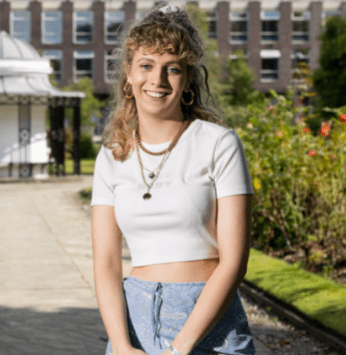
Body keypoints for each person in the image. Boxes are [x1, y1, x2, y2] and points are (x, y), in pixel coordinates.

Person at [91, 5, 255, 355]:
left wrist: (181, 348)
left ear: (188, 79)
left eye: (173, 69)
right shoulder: (111, 156)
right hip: (133, 322)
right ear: (129, 75)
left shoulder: (219, 143)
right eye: (147, 66)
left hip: (209, 326)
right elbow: (105, 264)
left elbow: (235, 260)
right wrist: (120, 345)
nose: (158, 80)